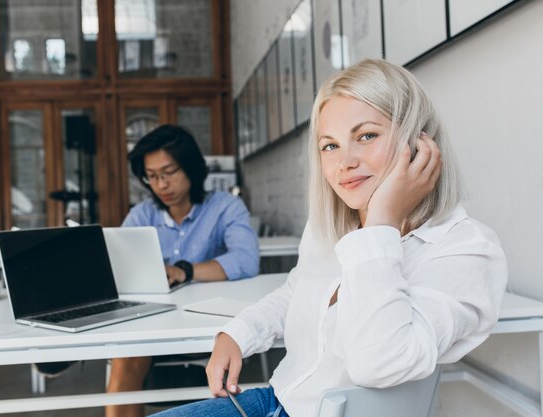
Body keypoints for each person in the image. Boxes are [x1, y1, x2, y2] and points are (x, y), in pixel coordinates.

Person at [149, 59, 508, 417]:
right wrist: (238, 333)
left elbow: (378, 364)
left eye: (366, 136)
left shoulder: (465, 249)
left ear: (419, 141)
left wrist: (381, 224)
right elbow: (296, 292)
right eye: (330, 145)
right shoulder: (332, 225)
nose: (344, 162)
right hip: (280, 400)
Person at [106, 124, 259, 417]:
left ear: (191, 167)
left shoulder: (226, 207)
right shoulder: (141, 215)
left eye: (169, 172)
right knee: (124, 358)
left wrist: (185, 271)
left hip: (208, 326)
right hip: (151, 326)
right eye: (152, 177)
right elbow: (116, 265)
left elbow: (246, 259)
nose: (161, 184)